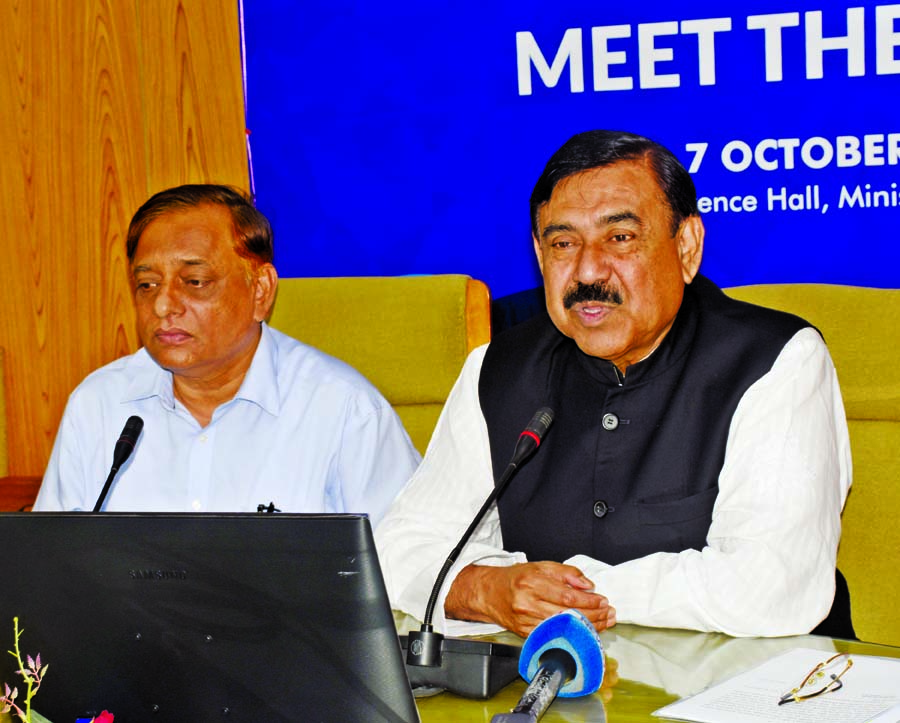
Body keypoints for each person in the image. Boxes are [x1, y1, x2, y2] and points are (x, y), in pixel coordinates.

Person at [376, 130, 852, 639]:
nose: (587, 270)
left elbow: (773, 586)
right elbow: (401, 547)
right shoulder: (498, 367)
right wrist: (485, 590)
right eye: (563, 243)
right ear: (539, 256)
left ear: (686, 246)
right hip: (556, 694)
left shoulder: (777, 361)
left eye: (619, 238)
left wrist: (568, 596)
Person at [34, 184, 420, 520]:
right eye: (148, 285)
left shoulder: (344, 411)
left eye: (195, 281)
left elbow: (407, 573)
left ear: (260, 290)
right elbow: (49, 570)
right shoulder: (99, 405)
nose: (164, 306)